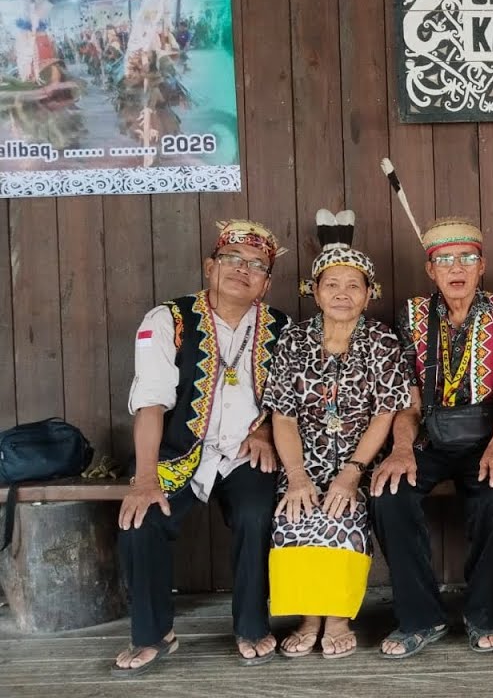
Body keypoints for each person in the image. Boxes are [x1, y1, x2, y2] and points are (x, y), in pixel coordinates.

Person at [113, 221, 290, 677]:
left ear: (266, 283)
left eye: (256, 266)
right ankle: (154, 634)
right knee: (142, 519)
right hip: (178, 453)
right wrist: (146, 478)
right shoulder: (167, 320)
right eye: (232, 259)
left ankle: (251, 624)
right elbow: (151, 403)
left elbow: (288, 401)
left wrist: (265, 431)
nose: (243, 271)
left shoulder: (281, 327)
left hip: (247, 450)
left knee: (257, 513)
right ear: (211, 266)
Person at [370, 218, 493, 658]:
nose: (456, 267)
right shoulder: (411, 314)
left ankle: (483, 612)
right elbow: (409, 399)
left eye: (467, 258)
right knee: (390, 492)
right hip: (429, 436)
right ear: (430, 271)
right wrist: (402, 449)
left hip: (490, 436)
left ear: (482, 266)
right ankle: (421, 616)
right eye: (444, 259)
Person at [265, 210, 410, 659]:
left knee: (342, 512)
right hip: (302, 460)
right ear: (315, 291)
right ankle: (309, 615)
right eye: (331, 285)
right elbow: (283, 416)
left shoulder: (382, 341)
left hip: (359, 458)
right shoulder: (293, 340)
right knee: (295, 515)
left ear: (369, 294)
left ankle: (337, 617)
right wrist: (296, 476)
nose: (342, 294)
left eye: (353, 286)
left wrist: (351, 473)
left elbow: (387, 412)